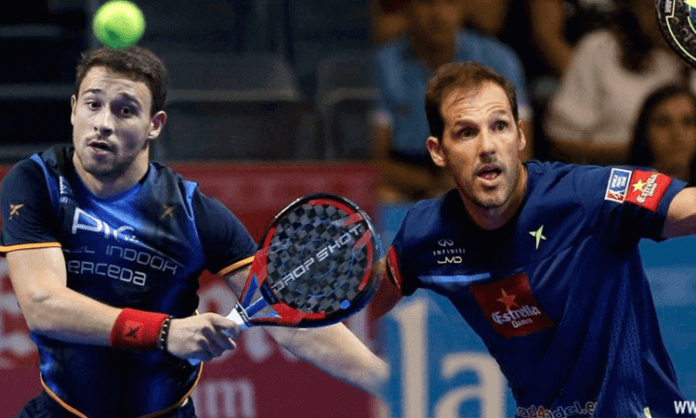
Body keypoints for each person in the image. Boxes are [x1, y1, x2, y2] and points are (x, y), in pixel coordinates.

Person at [0, 46, 387, 418]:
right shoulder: (38, 182)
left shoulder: (192, 212)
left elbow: (284, 315)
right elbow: (43, 306)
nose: (103, 123)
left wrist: (387, 383)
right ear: (73, 110)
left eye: (125, 111)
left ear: (154, 125)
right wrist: (165, 332)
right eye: (93, 104)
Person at [372, 61, 696, 417]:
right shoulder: (426, 234)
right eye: (466, 132)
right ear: (437, 151)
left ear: (520, 136)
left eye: (500, 127)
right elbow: (362, 304)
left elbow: (685, 208)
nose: (487, 146)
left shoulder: (587, 196)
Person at [372, 0, 533, 203]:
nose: (438, 14)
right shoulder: (385, 64)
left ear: (464, 6)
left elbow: (521, 152)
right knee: (383, 196)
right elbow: (373, 163)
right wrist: (432, 185)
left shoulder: (499, 60)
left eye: (450, 2)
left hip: (483, 172)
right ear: (408, 7)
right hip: (409, 180)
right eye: (427, 3)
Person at [543, 0, 693, 166]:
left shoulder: (681, 58)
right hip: (609, 175)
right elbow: (561, 140)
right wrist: (639, 153)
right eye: (653, 7)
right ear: (634, 8)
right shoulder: (597, 49)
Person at [629, 84, 696, 184]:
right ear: (644, 132)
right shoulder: (620, 190)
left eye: (688, 122)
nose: (677, 133)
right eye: (663, 123)